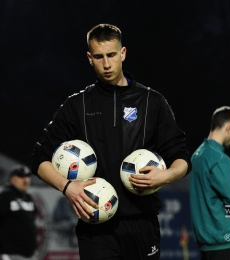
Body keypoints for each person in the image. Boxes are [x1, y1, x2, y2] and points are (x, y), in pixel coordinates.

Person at [31, 23, 191, 260]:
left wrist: (165, 175)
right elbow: (39, 158)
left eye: (111, 55)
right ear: (89, 58)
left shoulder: (152, 102)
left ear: (123, 53)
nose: (106, 64)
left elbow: (182, 157)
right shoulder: (78, 105)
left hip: (142, 223)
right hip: (96, 226)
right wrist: (68, 187)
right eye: (99, 56)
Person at [189, 106, 230, 260]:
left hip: (205, 242)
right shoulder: (219, 158)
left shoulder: (197, 155)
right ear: (229, 127)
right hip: (224, 242)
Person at [0, 165, 37, 260]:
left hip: (28, 254)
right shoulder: (5, 197)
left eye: (27, 177)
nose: (26, 180)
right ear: (13, 179)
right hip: (9, 253)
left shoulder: (28, 198)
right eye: (21, 177)